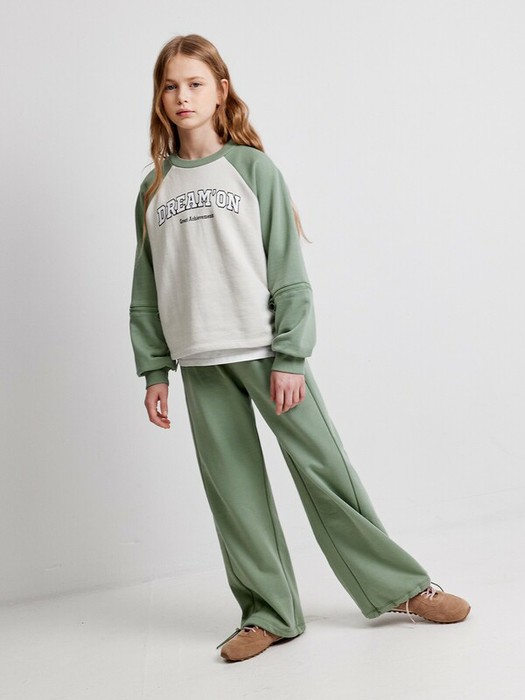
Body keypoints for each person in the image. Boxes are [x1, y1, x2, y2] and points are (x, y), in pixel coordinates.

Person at [129, 33, 470, 663]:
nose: (182, 96)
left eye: (195, 84)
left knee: (326, 473)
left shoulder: (253, 169)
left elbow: (287, 270)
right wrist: (154, 370)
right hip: (200, 363)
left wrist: (290, 355)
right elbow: (146, 289)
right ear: (160, 96)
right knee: (235, 495)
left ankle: (399, 586)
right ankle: (269, 614)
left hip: (267, 352)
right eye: (171, 86)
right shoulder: (152, 190)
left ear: (220, 91)